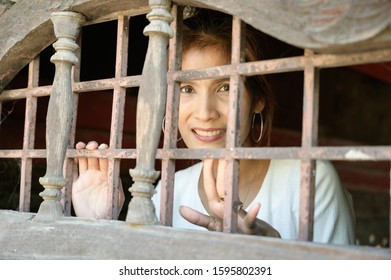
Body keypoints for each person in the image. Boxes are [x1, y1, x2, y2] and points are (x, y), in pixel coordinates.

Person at [72, 9, 355, 244]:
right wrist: (99, 225)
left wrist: (272, 252)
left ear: (257, 100)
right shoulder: (169, 190)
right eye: (186, 89)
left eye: (224, 87)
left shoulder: (310, 179)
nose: (205, 113)